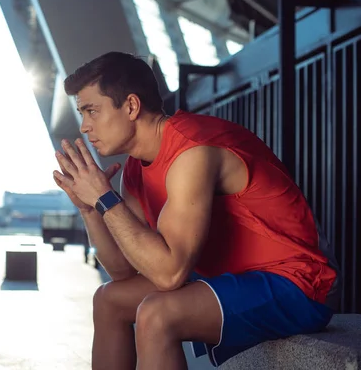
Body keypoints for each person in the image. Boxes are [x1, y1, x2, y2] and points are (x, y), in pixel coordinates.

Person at [52, 51, 339, 370]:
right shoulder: (135, 169)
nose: (85, 127)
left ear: (131, 106)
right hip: (233, 276)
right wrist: (92, 209)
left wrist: (105, 199)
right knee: (109, 300)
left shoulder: (194, 150)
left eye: (91, 111)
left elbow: (169, 273)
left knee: (156, 314)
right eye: (81, 113)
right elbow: (123, 269)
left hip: (299, 283)